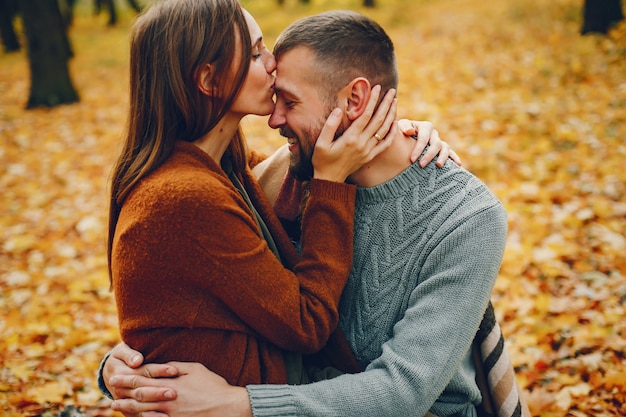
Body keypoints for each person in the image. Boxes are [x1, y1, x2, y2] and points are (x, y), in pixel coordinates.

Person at [102, 9, 530, 417]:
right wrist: (125, 366)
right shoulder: (284, 182)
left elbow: (403, 392)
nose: (273, 119)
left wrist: (237, 405)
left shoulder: (466, 218)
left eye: (288, 100)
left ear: (355, 99)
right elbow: (183, 295)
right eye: (256, 55)